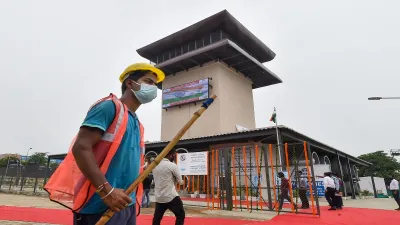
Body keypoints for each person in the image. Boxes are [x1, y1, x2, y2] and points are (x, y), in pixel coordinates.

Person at [44, 63, 165, 225]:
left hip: (125, 203)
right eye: (149, 82)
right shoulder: (109, 107)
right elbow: (81, 148)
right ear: (130, 83)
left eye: (155, 85)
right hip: (100, 203)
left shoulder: (137, 124)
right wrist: (107, 191)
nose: (153, 88)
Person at [152, 149, 185, 225]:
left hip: (159, 197)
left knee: (157, 218)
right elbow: (180, 182)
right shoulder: (172, 165)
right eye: (174, 155)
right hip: (171, 196)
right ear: (171, 155)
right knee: (180, 215)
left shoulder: (154, 166)